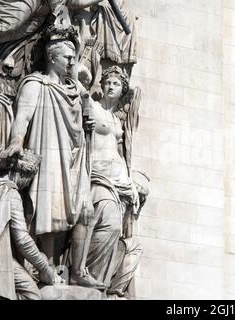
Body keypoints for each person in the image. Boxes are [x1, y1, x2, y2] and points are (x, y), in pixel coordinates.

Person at [0, 26, 103, 288]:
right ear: (52, 57)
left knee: (86, 211)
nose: (72, 62)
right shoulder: (36, 83)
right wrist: (15, 142)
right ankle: (46, 269)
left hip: (74, 158)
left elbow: (87, 119)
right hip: (49, 153)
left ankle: (77, 270)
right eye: (68, 57)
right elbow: (22, 116)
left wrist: (84, 97)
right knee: (50, 212)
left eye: (73, 57)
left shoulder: (73, 89)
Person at [86, 65, 146, 296]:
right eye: (107, 83)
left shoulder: (116, 120)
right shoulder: (93, 107)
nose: (110, 87)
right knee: (108, 228)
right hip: (98, 178)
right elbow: (77, 88)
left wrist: (131, 183)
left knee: (128, 243)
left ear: (122, 90)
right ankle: (91, 278)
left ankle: (110, 289)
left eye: (116, 84)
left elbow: (118, 153)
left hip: (119, 183)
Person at [0, 150, 64, 300]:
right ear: (22, 175)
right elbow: (22, 239)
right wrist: (44, 267)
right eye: (29, 179)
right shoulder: (10, 192)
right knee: (32, 295)